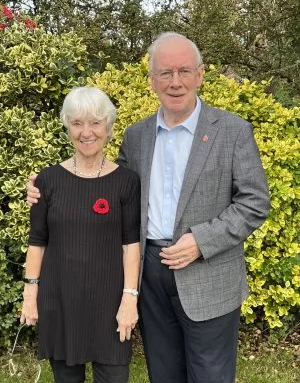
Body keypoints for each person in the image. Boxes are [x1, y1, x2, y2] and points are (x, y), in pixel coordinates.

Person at [27, 32, 270, 383]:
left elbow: (255, 201)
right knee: (163, 373)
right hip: (150, 275)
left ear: (200, 75)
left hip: (209, 274)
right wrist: (43, 188)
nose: (175, 82)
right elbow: (104, 183)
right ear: (152, 80)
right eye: (165, 73)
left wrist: (202, 241)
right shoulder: (137, 136)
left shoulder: (231, 131)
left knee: (210, 375)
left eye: (184, 71)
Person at [21, 87, 141, 383]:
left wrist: (130, 298)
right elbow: (37, 241)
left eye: (95, 122)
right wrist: (30, 294)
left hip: (111, 302)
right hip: (60, 299)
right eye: (77, 123)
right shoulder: (46, 181)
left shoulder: (126, 182)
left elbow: (131, 245)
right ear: (68, 127)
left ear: (108, 128)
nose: (86, 132)